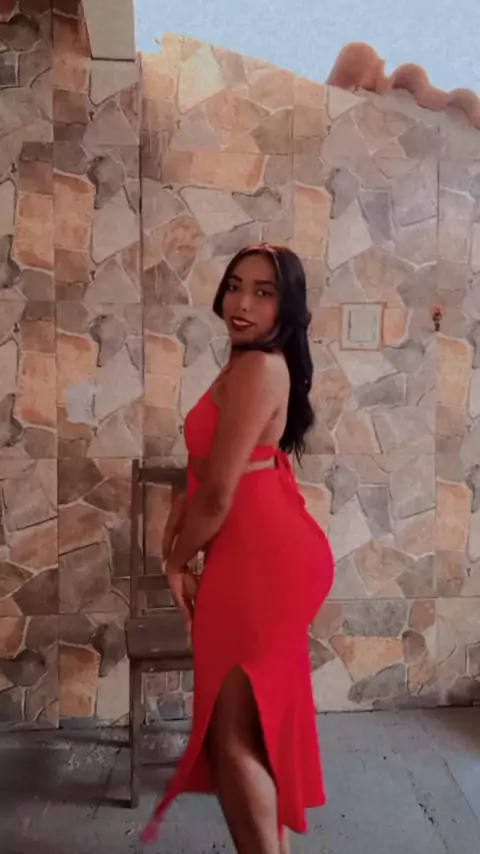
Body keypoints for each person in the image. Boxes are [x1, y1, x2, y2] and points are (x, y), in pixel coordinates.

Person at [142, 244, 335, 853]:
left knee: (230, 739)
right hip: (254, 552)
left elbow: (222, 494)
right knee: (247, 730)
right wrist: (188, 498)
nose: (242, 303)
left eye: (263, 292)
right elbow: (233, 464)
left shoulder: (258, 368)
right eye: (234, 286)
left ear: (288, 306)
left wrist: (174, 561)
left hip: (262, 561)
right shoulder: (249, 363)